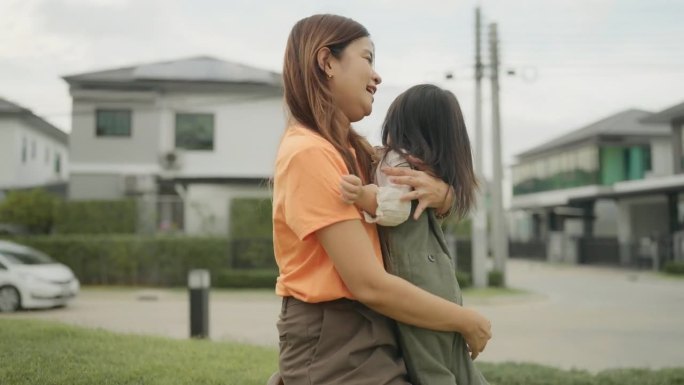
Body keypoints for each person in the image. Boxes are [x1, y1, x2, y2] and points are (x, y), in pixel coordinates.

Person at [272, 14, 492, 385]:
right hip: (337, 335)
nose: (377, 76)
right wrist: (464, 320)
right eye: (368, 59)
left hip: (379, 324)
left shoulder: (360, 154)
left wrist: (443, 194)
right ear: (326, 62)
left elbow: (425, 201)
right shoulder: (309, 154)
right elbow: (367, 283)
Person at [340, 84, 489, 384]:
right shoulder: (429, 168)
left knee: (432, 370)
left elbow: (396, 210)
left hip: (418, 286)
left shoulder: (398, 162)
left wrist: (363, 195)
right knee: (462, 370)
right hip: (440, 284)